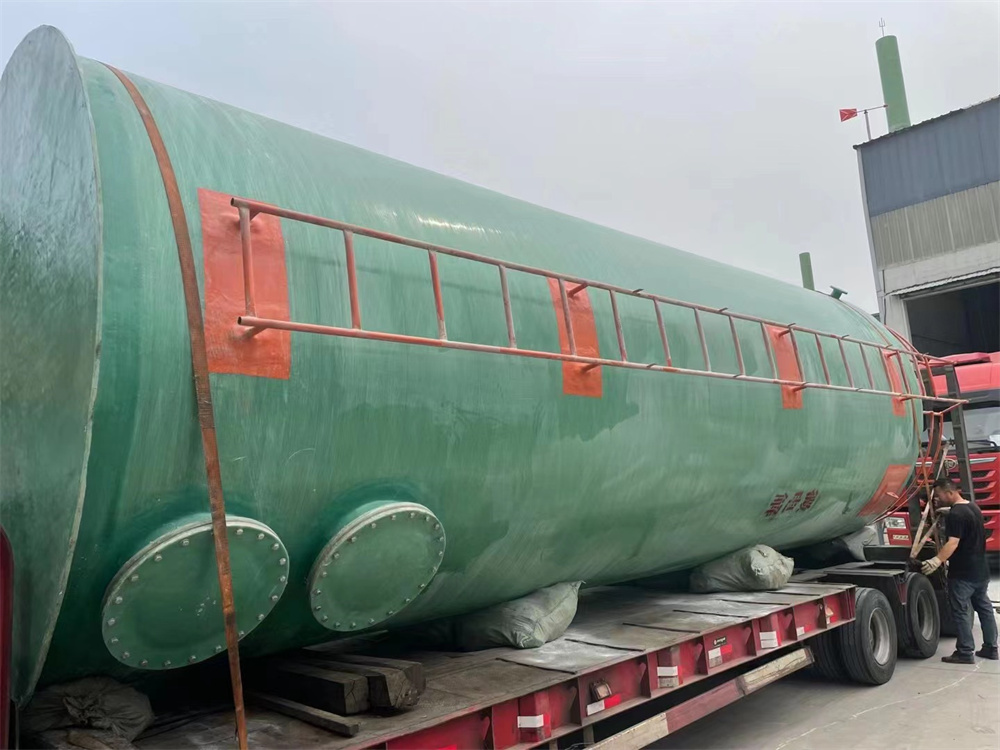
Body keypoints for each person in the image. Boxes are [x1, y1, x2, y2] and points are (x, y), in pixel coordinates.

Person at [921, 478, 998, 663]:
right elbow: (968, 526)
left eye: (938, 495)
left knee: (961, 611)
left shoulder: (956, 514)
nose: (936, 499)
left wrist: (937, 560)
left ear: (950, 492)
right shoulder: (973, 508)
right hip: (981, 570)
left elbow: (953, 543)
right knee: (985, 609)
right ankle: (991, 648)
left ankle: (965, 652)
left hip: (963, 573)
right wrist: (948, 512)